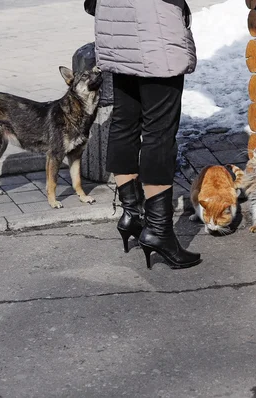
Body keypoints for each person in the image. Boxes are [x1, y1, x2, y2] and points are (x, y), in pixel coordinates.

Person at [94, 0, 201, 269]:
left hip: (116, 24)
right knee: (159, 133)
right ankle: (158, 231)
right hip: (155, 30)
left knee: (124, 120)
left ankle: (132, 214)